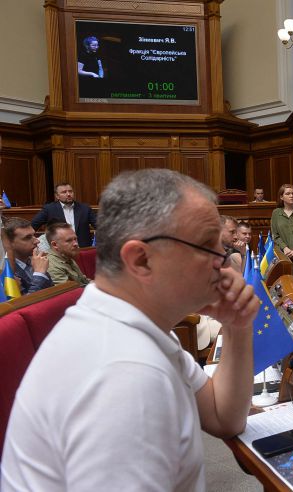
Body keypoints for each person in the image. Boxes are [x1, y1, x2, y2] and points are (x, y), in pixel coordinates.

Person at [1, 169, 258, 491]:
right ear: (141, 260)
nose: (223, 261)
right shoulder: (124, 375)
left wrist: (237, 326)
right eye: (208, 246)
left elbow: (224, 417)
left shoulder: (134, 323)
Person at [32, 182, 97, 247]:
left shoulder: (85, 208)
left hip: (83, 249)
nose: (68, 194)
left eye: (70, 191)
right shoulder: (49, 209)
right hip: (60, 250)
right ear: (57, 196)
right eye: (64, 192)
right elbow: (32, 226)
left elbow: (99, 225)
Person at [3, 217, 52, 295]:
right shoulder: (6, 271)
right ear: (9, 244)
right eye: (27, 238)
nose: (37, 241)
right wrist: (39, 274)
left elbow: (51, 291)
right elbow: (25, 304)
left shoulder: (34, 260)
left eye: (34, 235)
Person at [45, 222, 91, 286]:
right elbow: (71, 293)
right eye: (69, 240)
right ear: (55, 245)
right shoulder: (51, 265)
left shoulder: (66, 255)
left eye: (75, 239)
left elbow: (83, 282)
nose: (76, 244)